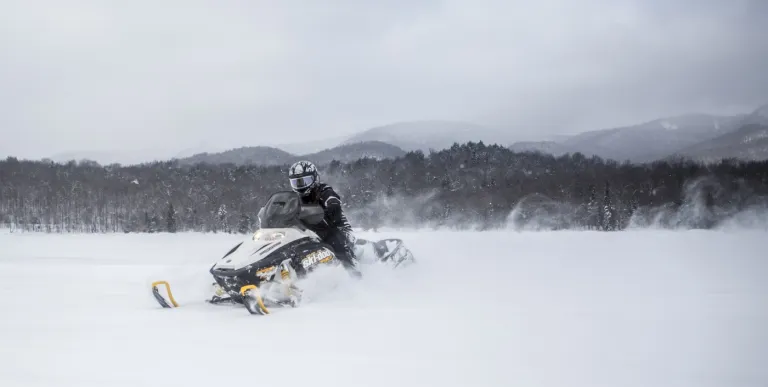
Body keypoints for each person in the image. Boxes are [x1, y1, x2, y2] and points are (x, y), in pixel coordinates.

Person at [287, 160, 361, 277]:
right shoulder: (294, 198)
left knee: (336, 241)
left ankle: (353, 272)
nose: (300, 186)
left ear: (315, 178)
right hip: (311, 232)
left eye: (305, 181)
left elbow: (332, 198)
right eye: (296, 183)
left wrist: (332, 204)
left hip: (335, 228)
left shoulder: (323, 190)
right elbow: (287, 209)